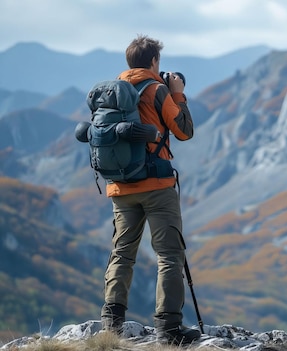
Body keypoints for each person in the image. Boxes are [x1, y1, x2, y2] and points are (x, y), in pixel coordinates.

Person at [99, 34, 201, 345]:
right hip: (157, 185)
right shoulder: (157, 90)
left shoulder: (112, 92)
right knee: (169, 255)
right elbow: (184, 131)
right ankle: (169, 329)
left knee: (122, 253)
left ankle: (111, 325)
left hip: (120, 186)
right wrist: (178, 94)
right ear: (154, 62)